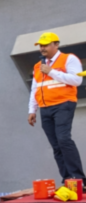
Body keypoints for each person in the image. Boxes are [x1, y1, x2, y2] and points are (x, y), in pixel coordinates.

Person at [28, 32, 85, 184]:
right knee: (56, 145)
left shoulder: (69, 58)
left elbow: (77, 80)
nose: (42, 48)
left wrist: (51, 72)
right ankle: (67, 179)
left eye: (45, 45)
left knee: (64, 139)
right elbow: (36, 88)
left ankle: (79, 179)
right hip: (45, 108)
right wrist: (32, 110)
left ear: (56, 45)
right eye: (40, 45)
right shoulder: (38, 66)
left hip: (63, 104)